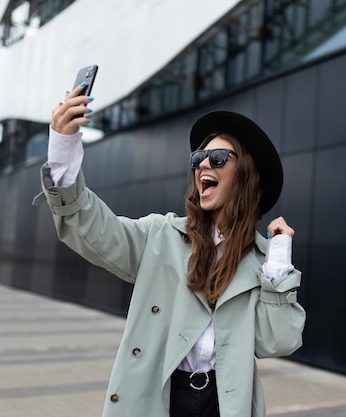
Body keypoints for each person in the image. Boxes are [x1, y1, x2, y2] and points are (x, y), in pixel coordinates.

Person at [33, 83, 306, 417]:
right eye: (198, 158)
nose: (204, 165)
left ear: (246, 175)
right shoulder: (160, 236)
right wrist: (63, 147)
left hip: (224, 403)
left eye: (218, 158)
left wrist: (278, 264)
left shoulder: (262, 263)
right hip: (159, 397)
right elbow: (94, 229)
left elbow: (277, 342)